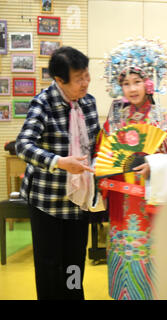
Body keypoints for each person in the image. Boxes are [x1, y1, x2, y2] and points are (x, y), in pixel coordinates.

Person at [97, 38, 167, 300]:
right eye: (125, 83)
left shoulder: (165, 121)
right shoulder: (114, 123)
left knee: (153, 257)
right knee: (126, 254)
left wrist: (157, 164)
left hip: (155, 202)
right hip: (123, 203)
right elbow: (104, 161)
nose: (132, 88)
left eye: (137, 81)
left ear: (149, 83)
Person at [15, 46, 100, 300]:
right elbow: (23, 145)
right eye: (78, 79)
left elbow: (96, 145)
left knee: (74, 264)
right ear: (59, 80)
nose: (85, 83)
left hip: (79, 201)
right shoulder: (43, 103)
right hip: (47, 202)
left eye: (87, 75)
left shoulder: (89, 102)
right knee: (50, 265)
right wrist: (60, 162)